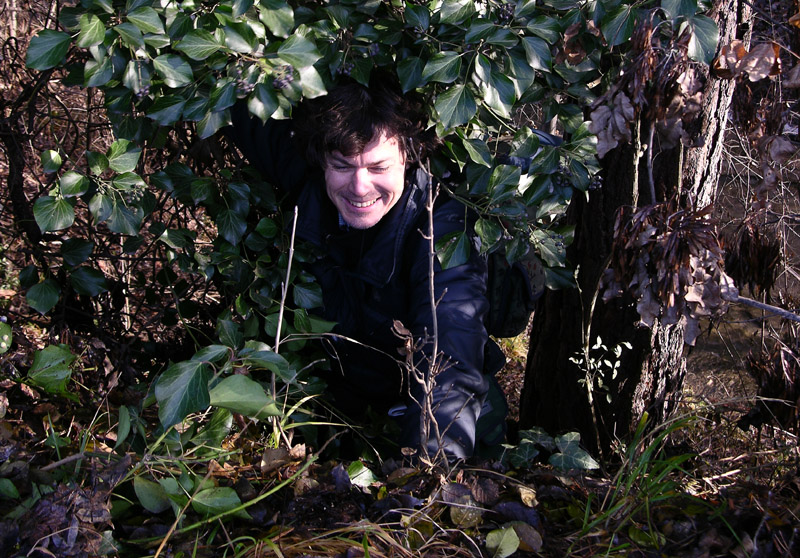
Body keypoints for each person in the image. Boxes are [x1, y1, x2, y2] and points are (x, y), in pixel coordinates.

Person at [228, 73, 506, 460]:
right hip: (344, 404)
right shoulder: (308, 181)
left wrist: (427, 472)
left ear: (408, 159)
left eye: (378, 168)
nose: (359, 187)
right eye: (343, 166)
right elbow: (239, 102)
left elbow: (450, 355)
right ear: (321, 160)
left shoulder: (442, 226)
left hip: (438, 414)